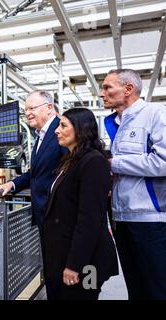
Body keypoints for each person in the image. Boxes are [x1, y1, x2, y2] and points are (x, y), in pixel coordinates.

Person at [101, 69, 166, 299]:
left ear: (128, 89)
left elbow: (163, 162)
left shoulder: (155, 114)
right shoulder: (116, 123)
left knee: (157, 289)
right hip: (122, 218)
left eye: (108, 87)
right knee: (135, 287)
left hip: (150, 220)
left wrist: (113, 164)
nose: (102, 93)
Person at [43, 108, 118, 300]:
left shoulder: (93, 162)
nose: (56, 131)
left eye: (63, 125)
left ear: (81, 129)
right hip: (65, 254)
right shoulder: (69, 160)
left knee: (84, 296)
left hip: (87, 262)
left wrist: (75, 265)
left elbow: (90, 220)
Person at [0, 91, 67, 229]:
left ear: (48, 108)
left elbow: (71, 170)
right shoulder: (41, 136)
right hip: (45, 213)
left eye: (32, 108)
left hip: (59, 214)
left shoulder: (62, 130)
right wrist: (12, 184)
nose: (27, 113)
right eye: (25, 110)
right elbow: (36, 173)